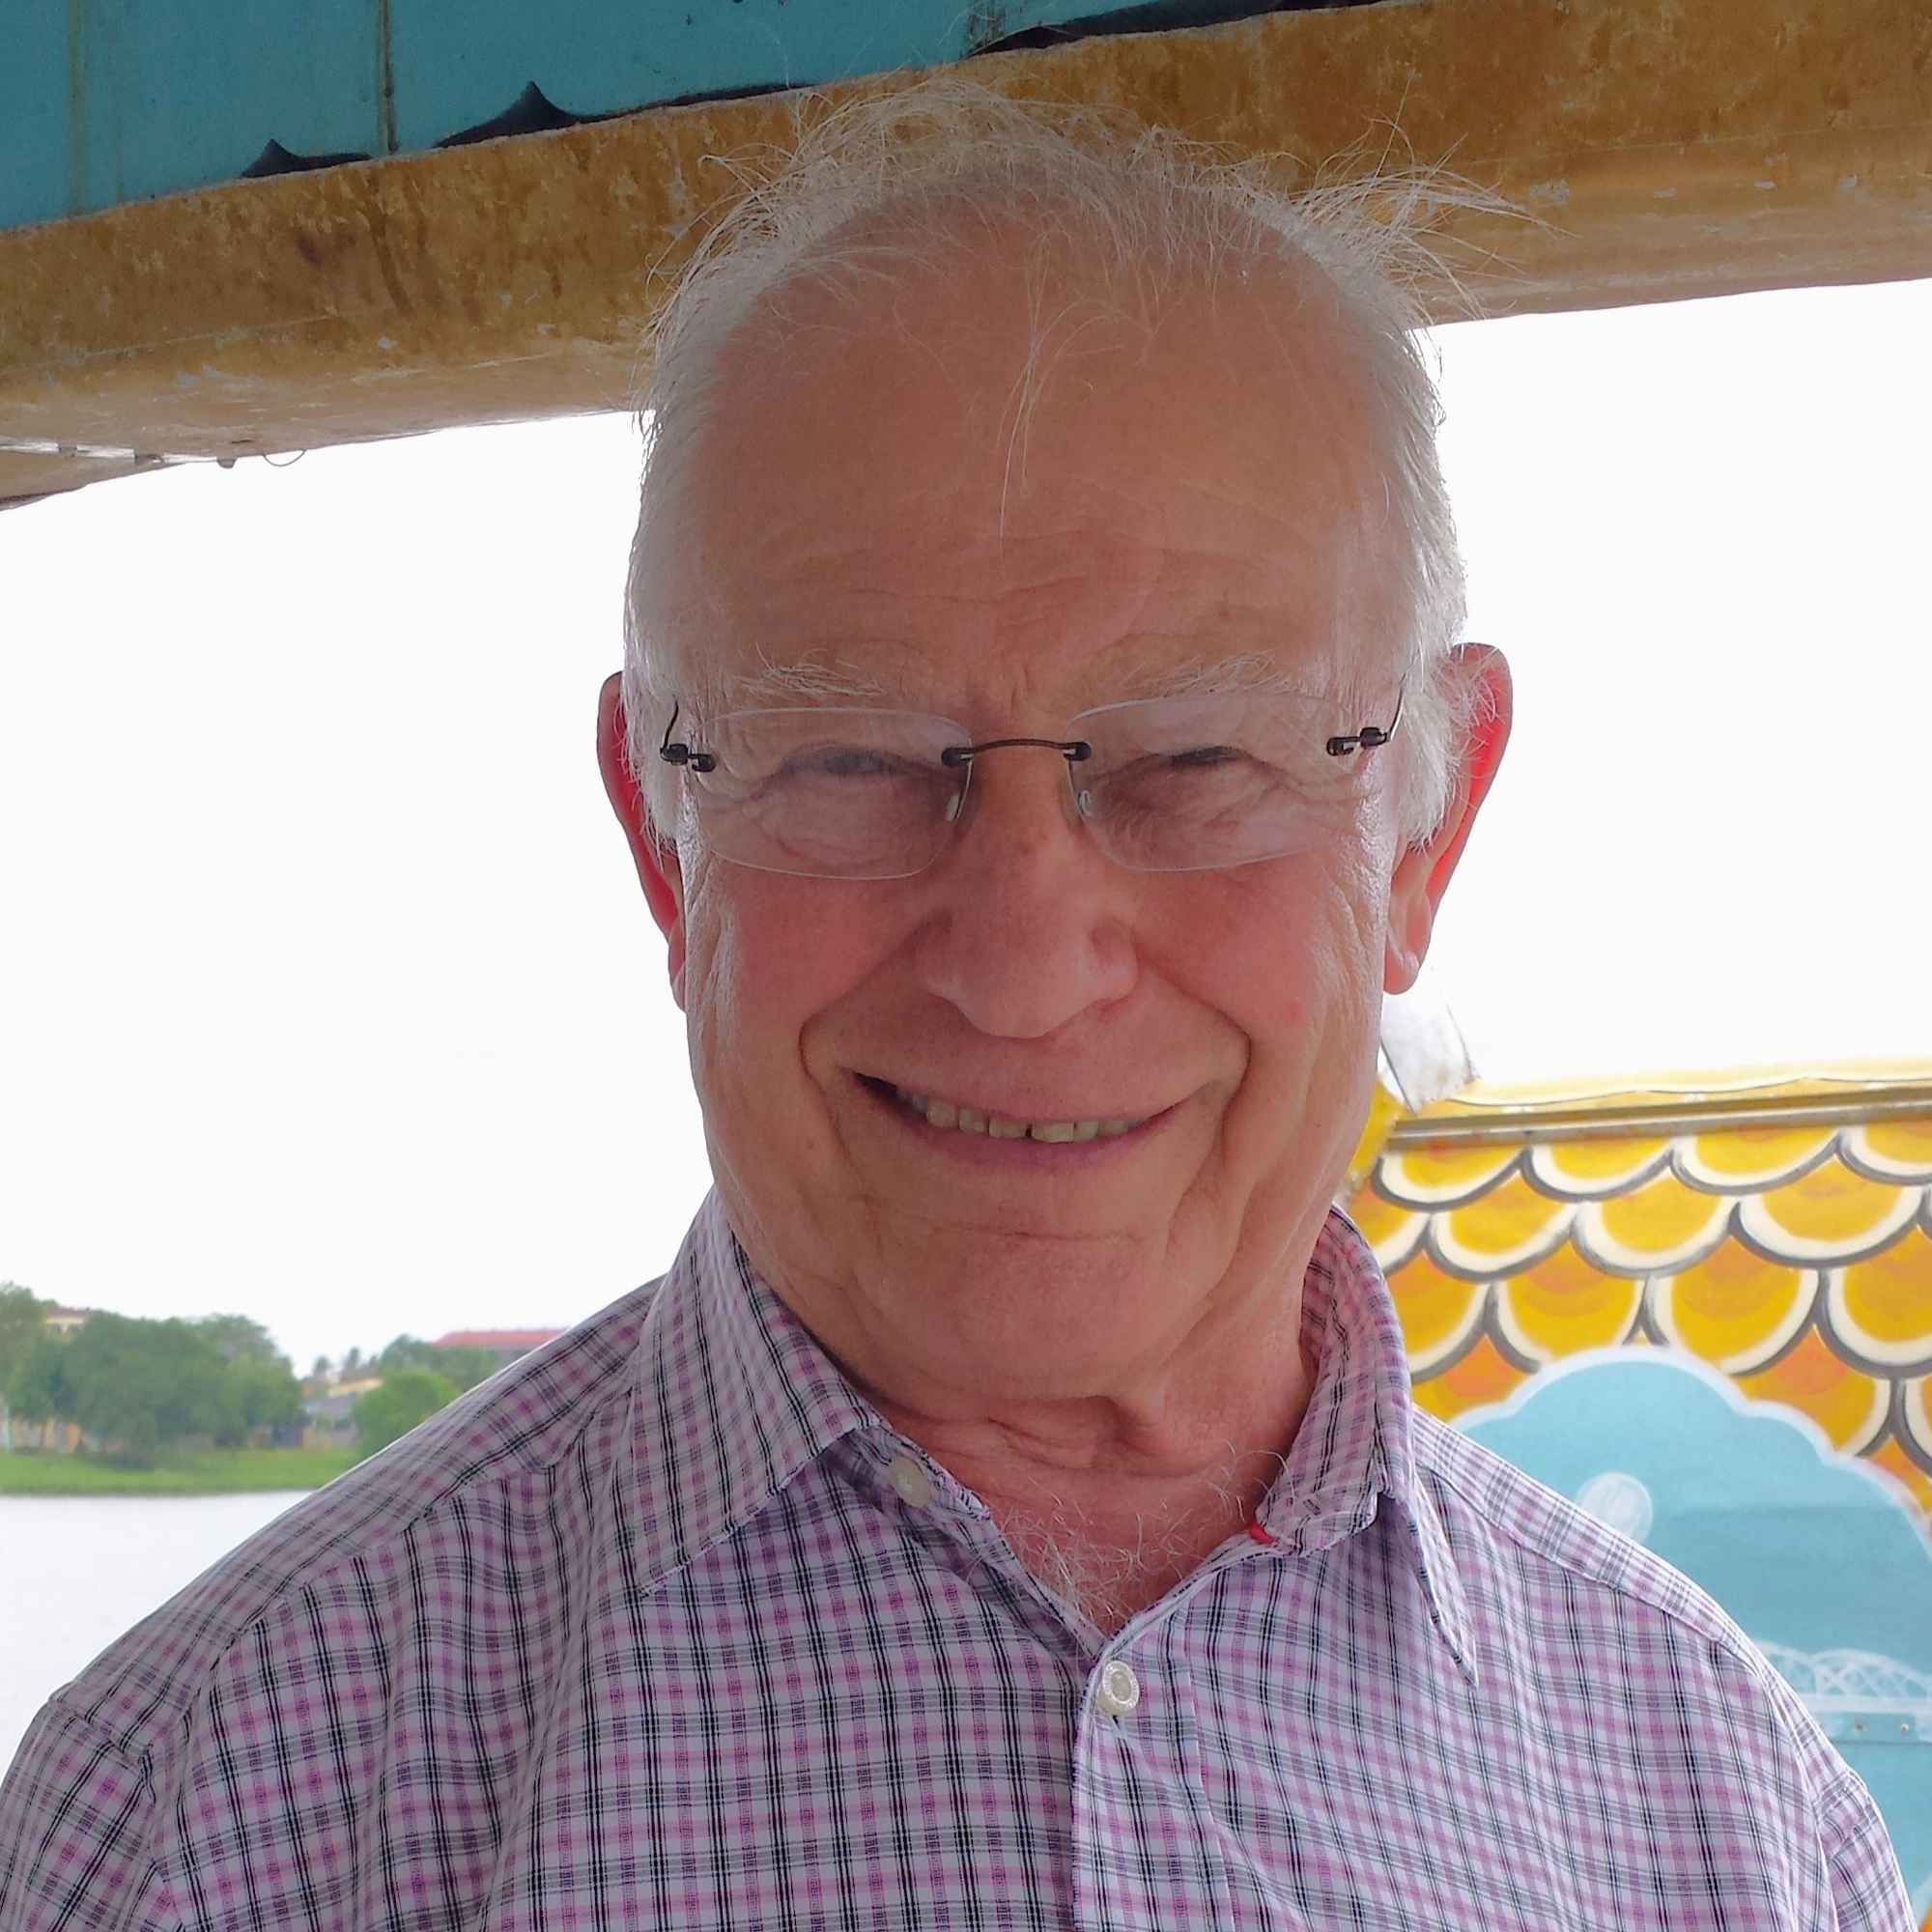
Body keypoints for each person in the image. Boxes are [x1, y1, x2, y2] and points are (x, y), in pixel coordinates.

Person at [0, 83, 1910, 1932]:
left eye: (1195, 759)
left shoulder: (1733, 1820)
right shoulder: (182, 1820)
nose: (1020, 962)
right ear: (663, 838)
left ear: (1425, 829)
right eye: (845, 758)